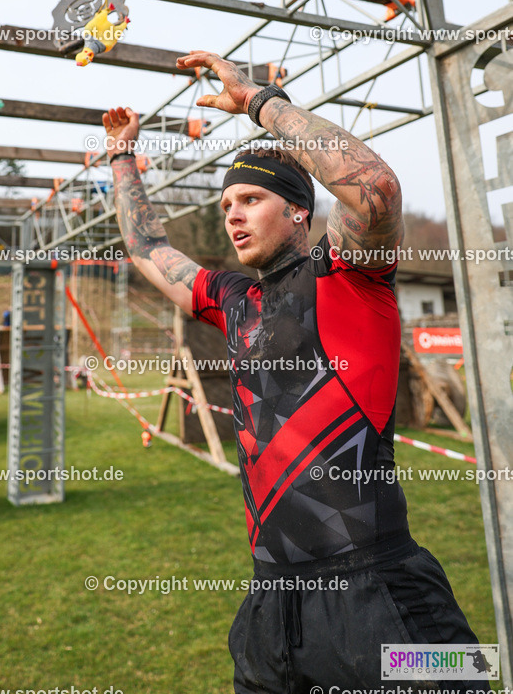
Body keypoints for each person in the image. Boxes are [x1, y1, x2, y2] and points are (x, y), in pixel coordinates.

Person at [103, 50, 488, 694]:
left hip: (382, 597)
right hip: (270, 610)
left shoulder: (348, 277)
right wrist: (122, 157)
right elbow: (147, 247)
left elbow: (376, 187)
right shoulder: (234, 301)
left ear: (300, 211)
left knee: (470, 681)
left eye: (251, 199)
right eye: (227, 203)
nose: (232, 214)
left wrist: (259, 102)